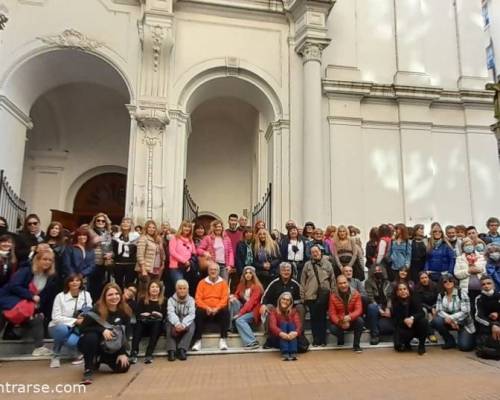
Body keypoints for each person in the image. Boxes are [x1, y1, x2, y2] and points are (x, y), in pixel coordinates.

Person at [0, 248, 57, 356]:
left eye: (50, 260)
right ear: (38, 259)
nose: (47, 262)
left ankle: (39, 348)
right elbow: (14, 286)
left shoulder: (49, 277)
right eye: (45, 259)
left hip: (26, 307)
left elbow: (43, 297)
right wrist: (31, 296)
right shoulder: (26, 270)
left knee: (38, 318)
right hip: (9, 303)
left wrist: (37, 308)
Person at [77, 283, 132, 385]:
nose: (114, 297)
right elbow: (82, 328)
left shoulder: (125, 311)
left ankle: (100, 358)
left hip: (112, 345)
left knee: (123, 367)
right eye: (110, 295)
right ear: (104, 297)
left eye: (116, 294)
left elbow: (126, 333)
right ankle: (88, 369)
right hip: (92, 343)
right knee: (91, 336)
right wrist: (102, 330)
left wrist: (122, 352)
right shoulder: (96, 310)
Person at [48, 273, 92, 367]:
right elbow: (55, 317)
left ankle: (76, 353)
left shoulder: (86, 295)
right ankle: (56, 355)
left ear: (81, 282)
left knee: (72, 342)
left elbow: (89, 308)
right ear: (67, 283)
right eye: (72, 280)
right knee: (61, 329)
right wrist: (74, 321)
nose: (74, 283)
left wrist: (83, 315)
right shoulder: (60, 296)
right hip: (58, 326)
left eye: (77, 280)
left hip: (76, 328)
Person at [431, 273, 475, 351]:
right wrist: (450, 320)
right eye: (445, 281)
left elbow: (466, 311)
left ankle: (467, 337)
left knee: (465, 347)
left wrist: (452, 318)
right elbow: (439, 310)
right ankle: (449, 340)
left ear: (454, 282)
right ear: (442, 284)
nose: (448, 282)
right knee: (436, 320)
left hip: (463, 323)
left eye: (450, 280)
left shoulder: (462, 293)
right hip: (448, 321)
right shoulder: (441, 295)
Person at [300, 245, 334, 346]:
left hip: (324, 295)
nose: (315, 253)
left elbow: (332, 280)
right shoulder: (307, 265)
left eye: (316, 251)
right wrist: (303, 296)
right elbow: (302, 281)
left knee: (322, 318)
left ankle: (323, 339)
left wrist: (333, 294)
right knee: (314, 318)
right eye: (313, 252)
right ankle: (316, 339)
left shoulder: (328, 264)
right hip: (311, 295)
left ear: (321, 252)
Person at [192, 262, 230, 351]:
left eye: (215, 270)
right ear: (208, 271)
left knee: (225, 310)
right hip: (206, 310)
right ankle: (197, 341)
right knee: (198, 311)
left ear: (218, 271)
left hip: (218, 310)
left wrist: (217, 308)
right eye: (211, 270)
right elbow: (198, 299)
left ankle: (223, 339)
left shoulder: (223, 283)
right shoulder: (202, 283)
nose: (213, 271)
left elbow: (225, 299)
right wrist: (207, 308)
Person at [130, 280, 166, 364]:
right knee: (138, 324)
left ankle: (149, 353)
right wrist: (144, 314)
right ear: (149, 289)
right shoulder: (143, 300)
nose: (155, 289)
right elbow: (138, 314)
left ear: (160, 289)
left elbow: (165, 315)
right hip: (144, 325)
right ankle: (133, 353)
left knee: (157, 323)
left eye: (157, 287)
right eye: (152, 287)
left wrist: (159, 314)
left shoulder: (164, 301)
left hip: (156, 327)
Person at [260, 262, 305, 329]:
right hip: (276, 309)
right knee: (268, 307)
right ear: (280, 272)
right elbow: (265, 296)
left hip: (290, 310)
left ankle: (300, 333)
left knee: (300, 307)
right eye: (283, 270)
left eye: (288, 270)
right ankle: (269, 335)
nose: (286, 272)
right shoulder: (274, 283)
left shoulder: (295, 284)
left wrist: (290, 307)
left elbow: (301, 299)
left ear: (291, 271)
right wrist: (263, 305)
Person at [230, 266, 263, 349]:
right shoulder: (241, 285)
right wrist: (233, 297)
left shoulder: (257, 287)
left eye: (250, 273)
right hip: (245, 309)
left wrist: (240, 314)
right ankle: (233, 326)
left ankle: (252, 341)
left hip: (254, 311)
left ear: (253, 275)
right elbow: (237, 294)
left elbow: (251, 303)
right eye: (246, 273)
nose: (248, 275)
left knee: (240, 320)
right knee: (233, 301)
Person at [328, 274, 364, 352]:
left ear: (348, 283)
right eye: (340, 283)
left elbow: (359, 310)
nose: (343, 285)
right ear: (337, 284)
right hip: (340, 321)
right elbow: (332, 313)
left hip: (351, 320)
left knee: (360, 321)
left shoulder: (356, 293)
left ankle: (356, 345)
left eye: (344, 282)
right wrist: (341, 322)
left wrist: (350, 317)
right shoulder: (333, 295)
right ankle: (341, 337)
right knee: (332, 328)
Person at [391, 282, 428, 355]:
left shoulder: (415, 298)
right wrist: (405, 320)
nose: (403, 291)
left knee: (424, 321)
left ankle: (421, 346)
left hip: (416, 325)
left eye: (405, 289)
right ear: (397, 292)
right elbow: (396, 320)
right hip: (403, 327)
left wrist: (412, 318)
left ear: (408, 290)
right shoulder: (395, 303)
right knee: (398, 346)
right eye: (400, 290)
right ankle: (406, 343)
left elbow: (421, 313)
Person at [454, 237, 486, 317]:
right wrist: (468, 271)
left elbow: (485, 271)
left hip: (481, 288)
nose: (469, 246)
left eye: (470, 244)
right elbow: (457, 274)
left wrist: (477, 269)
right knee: (470, 310)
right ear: (463, 247)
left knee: (481, 310)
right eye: (466, 245)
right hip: (467, 290)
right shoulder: (459, 259)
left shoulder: (481, 257)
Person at [166, 279, 195, 361]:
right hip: (174, 319)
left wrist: (183, 324)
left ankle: (182, 349)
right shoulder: (171, 300)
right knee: (168, 323)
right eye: (180, 288)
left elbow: (191, 314)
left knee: (192, 324)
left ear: (187, 289)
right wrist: (177, 323)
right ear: (176, 289)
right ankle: (171, 350)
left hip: (186, 319)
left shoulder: (191, 300)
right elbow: (171, 313)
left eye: (184, 288)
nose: (182, 290)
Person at [365, 265, 394, 345]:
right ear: (372, 272)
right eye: (376, 270)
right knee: (371, 307)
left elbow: (390, 297)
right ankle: (375, 335)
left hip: (387, 305)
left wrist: (388, 308)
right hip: (375, 304)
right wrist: (379, 309)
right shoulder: (368, 282)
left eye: (379, 270)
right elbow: (370, 297)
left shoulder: (387, 282)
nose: (378, 272)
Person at [268, 292, 302, 361]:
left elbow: (299, 325)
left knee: (291, 325)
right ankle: (285, 352)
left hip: (292, 337)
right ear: (280, 300)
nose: (285, 301)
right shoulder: (274, 311)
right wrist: (281, 333)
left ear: (290, 302)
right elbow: (272, 326)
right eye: (283, 299)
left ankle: (293, 353)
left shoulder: (293, 312)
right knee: (284, 324)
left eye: (287, 300)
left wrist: (295, 333)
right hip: (278, 338)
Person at [88, 213, 114, 301]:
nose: (100, 222)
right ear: (94, 222)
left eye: (103, 221)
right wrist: (93, 241)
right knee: (91, 286)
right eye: (98, 220)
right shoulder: (89, 232)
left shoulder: (108, 234)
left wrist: (111, 254)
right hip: (92, 262)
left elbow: (112, 248)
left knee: (102, 286)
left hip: (105, 263)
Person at [135, 220, 165, 293]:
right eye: (149, 227)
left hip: (156, 270)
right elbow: (140, 255)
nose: (152, 229)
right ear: (146, 228)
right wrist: (143, 269)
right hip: (146, 269)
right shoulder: (143, 238)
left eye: (153, 228)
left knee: (153, 292)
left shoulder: (157, 240)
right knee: (144, 291)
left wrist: (160, 244)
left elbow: (162, 255)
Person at [474, 275, 500, 360]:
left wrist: (498, 314)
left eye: (489, 283)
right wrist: (492, 325)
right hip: (486, 327)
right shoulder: (479, 298)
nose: (486, 286)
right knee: (483, 349)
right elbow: (478, 316)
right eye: (484, 284)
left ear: (493, 285)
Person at [112, 218, 140, 290]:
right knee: (118, 284)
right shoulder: (116, 236)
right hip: (118, 263)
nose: (125, 224)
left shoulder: (137, 237)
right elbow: (113, 250)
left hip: (131, 263)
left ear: (131, 225)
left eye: (128, 222)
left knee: (129, 284)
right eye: (123, 222)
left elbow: (139, 251)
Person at [168, 221, 196, 285]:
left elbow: (194, 252)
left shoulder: (190, 240)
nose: (187, 228)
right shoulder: (175, 238)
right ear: (181, 227)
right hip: (176, 267)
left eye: (189, 227)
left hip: (187, 267)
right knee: (180, 286)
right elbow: (172, 252)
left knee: (186, 288)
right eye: (185, 226)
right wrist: (184, 261)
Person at [414, 271, 439, 342]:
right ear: (419, 280)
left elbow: (439, 298)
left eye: (425, 277)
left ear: (428, 278)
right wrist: (430, 309)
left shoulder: (434, 285)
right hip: (423, 307)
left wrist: (434, 307)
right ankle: (430, 334)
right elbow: (418, 302)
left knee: (435, 314)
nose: (424, 280)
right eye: (422, 278)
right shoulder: (417, 288)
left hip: (435, 305)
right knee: (425, 313)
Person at [44, 221, 67, 290]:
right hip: (43, 271)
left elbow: (63, 260)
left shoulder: (63, 244)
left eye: (57, 229)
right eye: (52, 228)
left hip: (56, 273)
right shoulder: (43, 241)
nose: (54, 230)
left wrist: (52, 252)